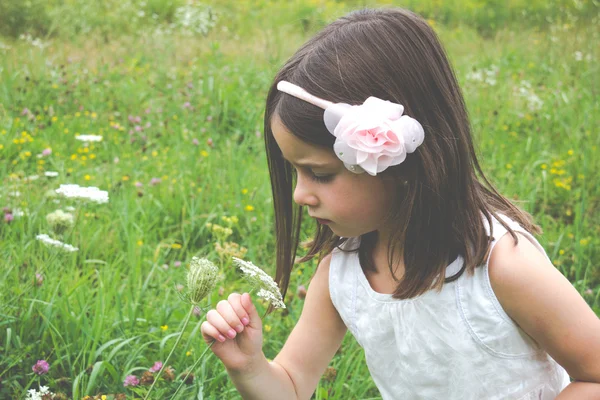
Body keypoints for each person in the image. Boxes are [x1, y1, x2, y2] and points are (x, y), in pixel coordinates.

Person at [200, 7, 600, 399]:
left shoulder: (502, 266)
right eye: (296, 172)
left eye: (320, 174)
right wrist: (250, 366)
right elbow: (291, 385)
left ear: (401, 161)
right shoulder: (342, 274)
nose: (299, 195)